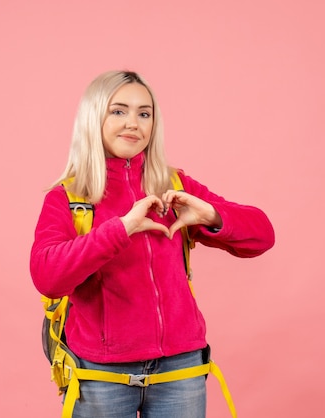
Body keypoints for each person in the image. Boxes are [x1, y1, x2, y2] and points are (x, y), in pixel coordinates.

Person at [30, 70, 275, 418]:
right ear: (93, 117)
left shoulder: (173, 184)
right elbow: (48, 278)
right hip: (101, 375)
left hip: (181, 370)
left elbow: (263, 235)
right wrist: (122, 228)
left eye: (144, 113)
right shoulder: (68, 198)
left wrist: (212, 214)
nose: (133, 123)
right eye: (118, 111)